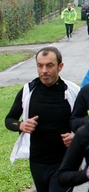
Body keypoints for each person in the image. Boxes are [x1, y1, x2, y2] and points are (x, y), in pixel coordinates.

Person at [5, 47, 80, 192]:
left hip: (65, 160)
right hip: (38, 160)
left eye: (49, 65)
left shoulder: (72, 91)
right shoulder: (28, 91)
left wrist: (76, 136)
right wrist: (21, 125)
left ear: (60, 66)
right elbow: (9, 120)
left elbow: (88, 121)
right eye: (40, 65)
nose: (44, 70)